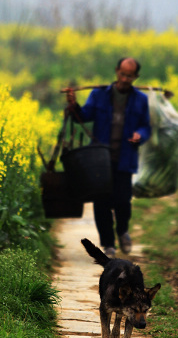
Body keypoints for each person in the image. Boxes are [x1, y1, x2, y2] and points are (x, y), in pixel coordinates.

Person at [65, 57, 151, 258]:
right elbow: (83, 116)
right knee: (101, 202)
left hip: (125, 158)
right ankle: (108, 244)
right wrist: (73, 105)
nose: (124, 79)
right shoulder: (99, 95)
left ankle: (122, 230)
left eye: (129, 76)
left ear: (136, 77)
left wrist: (140, 135)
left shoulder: (141, 100)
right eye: (122, 74)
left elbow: (146, 126)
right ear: (116, 71)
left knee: (123, 201)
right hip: (99, 160)